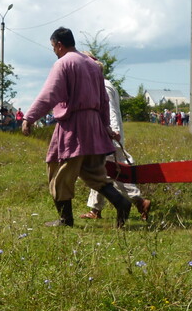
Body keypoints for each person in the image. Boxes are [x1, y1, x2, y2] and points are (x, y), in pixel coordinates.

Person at [21, 27, 131, 227]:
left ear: (59, 45)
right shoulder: (93, 65)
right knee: (94, 173)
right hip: (94, 125)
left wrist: (30, 117)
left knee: (58, 170)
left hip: (74, 126)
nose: (54, 50)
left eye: (53, 47)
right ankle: (121, 202)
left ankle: (66, 219)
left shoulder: (63, 63)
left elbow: (50, 94)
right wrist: (105, 126)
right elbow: (103, 101)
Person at [80, 55, 151, 222]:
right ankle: (95, 210)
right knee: (100, 172)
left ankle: (140, 202)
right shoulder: (101, 85)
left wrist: (113, 132)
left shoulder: (103, 86)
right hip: (105, 137)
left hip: (109, 138)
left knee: (116, 174)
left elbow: (110, 111)